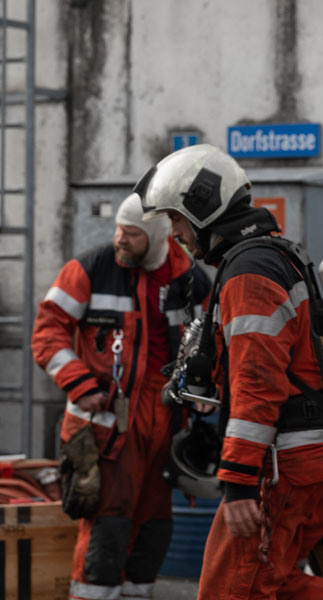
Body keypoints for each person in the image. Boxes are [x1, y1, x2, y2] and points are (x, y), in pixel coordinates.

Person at [136, 143, 323, 599]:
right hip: (314, 460)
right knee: (270, 586)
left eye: (176, 218)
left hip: (284, 468)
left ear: (201, 209)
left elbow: (257, 384)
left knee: (235, 592)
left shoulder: (249, 273)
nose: (176, 233)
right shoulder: (272, 257)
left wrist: (238, 483)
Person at [31, 193, 211, 600]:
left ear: (157, 235)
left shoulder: (190, 280)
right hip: (107, 422)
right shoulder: (90, 269)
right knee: (108, 519)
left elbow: (213, 344)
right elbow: (47, 331)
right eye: (118, 230)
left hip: (166, 420)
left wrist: (204, 390)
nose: (120, 240)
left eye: (131, 234)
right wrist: (79, 383)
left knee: (154, 522)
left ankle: (136, 593)